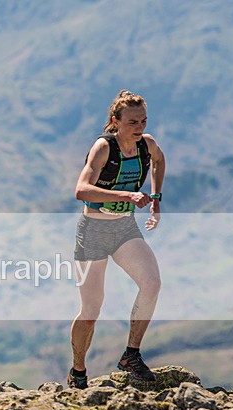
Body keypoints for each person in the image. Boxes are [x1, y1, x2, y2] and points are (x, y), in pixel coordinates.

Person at [69, 90, 165, 389]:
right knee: (91, 311)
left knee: (152, 283)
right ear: (116, 121)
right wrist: (126, 195)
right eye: (133, 122)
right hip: (93, 231)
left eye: (143, 121)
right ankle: (78, 371)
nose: (139, 127)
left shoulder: (147, 145)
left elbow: (159, 161)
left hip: (125, 229)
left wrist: (156, 199)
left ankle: (131, 355)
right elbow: (81, 190)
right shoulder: (103, 148)